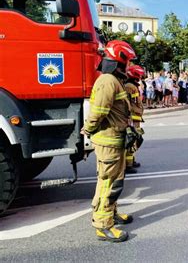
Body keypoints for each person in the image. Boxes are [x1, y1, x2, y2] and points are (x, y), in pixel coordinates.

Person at [82, 40, 136, 242]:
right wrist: (87, 129)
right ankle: (103, 225)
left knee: (115, 181)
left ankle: (111, 213)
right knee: (108, 183)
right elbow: (99, 112)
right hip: (108, 141)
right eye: (128, 61)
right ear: (119, 60)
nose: (129, 66)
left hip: (116, 139)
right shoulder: (107, 80)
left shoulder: (113, 80)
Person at [124, 64, 145, 174]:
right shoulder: (129, 86)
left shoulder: (133, 85)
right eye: (139, 75)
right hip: (132, 117)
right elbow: (127, 103)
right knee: (131, 140)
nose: (140, 78)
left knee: (136, 139)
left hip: (136, 117)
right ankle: (128, 165)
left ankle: (132, 160)